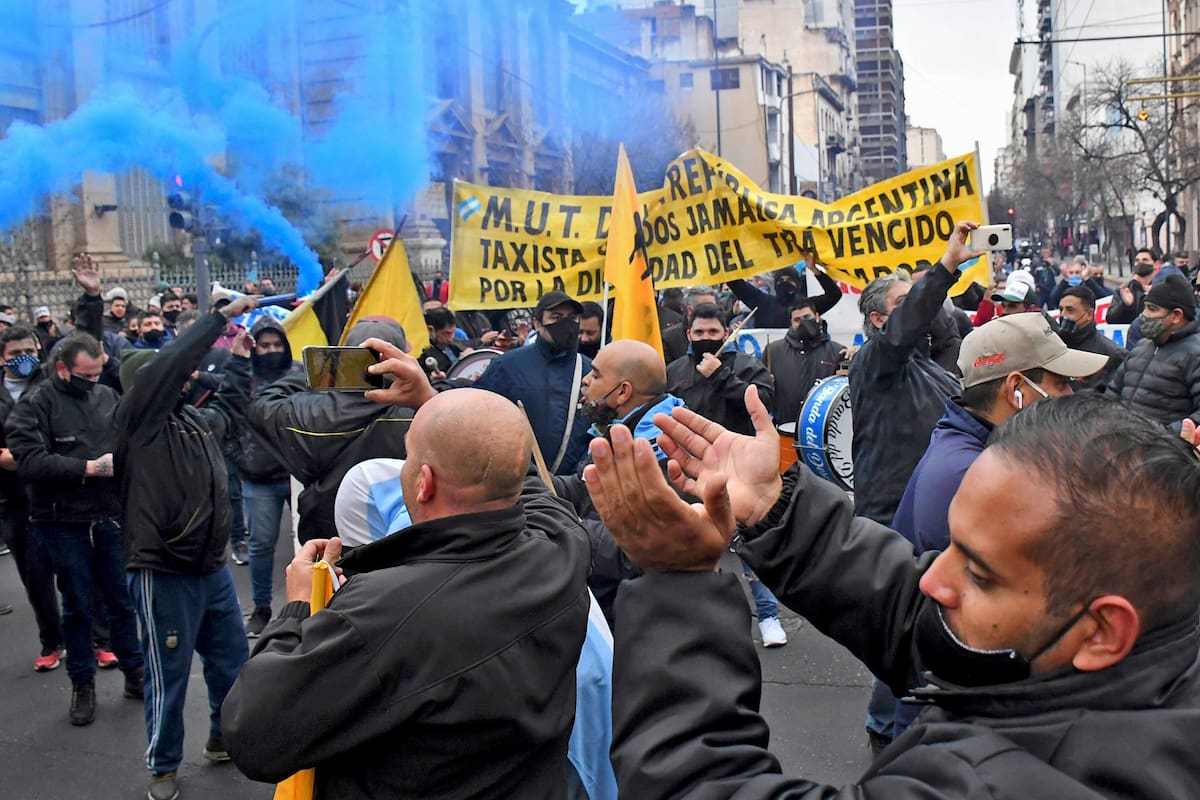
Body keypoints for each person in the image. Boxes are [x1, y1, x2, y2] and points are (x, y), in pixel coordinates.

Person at [583, 389, 1200, 798]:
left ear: (1102, 631)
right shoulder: (1135, 648)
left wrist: (676, 582)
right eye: (952, 544)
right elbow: (922, 620)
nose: (935, 577)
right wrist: (775, 507)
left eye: (979, 574)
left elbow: (695, 786)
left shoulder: (993, 784)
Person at [222, 387, 592, 798]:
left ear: (423, 482)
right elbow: (515, 473)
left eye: (409, 455)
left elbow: (253, 734)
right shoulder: (562, 546)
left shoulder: (381, 613)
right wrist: (429, 400)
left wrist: (297, 610)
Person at [116, 296, 257, 800]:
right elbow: (170, 365)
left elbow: (228, 409)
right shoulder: (138, 423)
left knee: (232, 662)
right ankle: (163, 768)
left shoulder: (192, 422)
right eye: (168, 375)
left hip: (210, 568)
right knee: (168, 675)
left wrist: (239, 359)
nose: (182, 379)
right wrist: (217, 319)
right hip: (163, 570)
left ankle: (224, 738)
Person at [848, 221, 980, 750]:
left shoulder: (930, 365)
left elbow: (944, 334)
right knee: (903, 629)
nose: (925, 311)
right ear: (880, 319)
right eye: (907, 303)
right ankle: (888, 735)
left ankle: (912, 723)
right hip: (892, 519)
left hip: (932, 517)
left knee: (928, 625)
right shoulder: (876, 363)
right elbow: (908, 329)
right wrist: (944, 270)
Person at [6, 332, 144, 726]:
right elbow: (29, 461)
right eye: (85, 374)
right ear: (63, 369)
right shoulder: (34, 405)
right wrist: (87, 468)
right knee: (78, 606)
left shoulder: (104, 397)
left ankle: (134, 672)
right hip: (61, 521)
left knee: (121, 601)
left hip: (108, 516)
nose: (93, 380)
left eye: (98, 372)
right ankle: (82, 684)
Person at [247, 317, 416, 543]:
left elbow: (263, 404)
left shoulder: (313, 413)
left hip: (331, 544)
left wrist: (317, 373)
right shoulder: (425, 410)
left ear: (343, 357)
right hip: (404, 539)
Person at [0, 324, 63, 671]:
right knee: (35, 578)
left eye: (29, 350)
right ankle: (52, 641)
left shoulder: (50, 385)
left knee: (78, 575)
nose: (23, 358)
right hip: (15, 499)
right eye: (14, 354)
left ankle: (99, 639)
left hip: (56, 493)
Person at [475, 291, 592, 475]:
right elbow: (481, 421)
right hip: (519, 485)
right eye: (556, 317)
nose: (566, 323)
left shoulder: (590, 370)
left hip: (573, 489)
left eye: (572, 318)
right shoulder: (507, 366)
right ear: (537, 324)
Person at [239, 317, 304, 638]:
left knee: (307, 543)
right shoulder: (244, 378)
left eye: (277, 344)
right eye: (264, 346)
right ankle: (262, 608)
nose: (271, 351)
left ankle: (305, 609)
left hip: (297, 473)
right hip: (257, 476)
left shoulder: (299, 374)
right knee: (261, 544)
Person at [665, 302, 774, 438]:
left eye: (713, 332)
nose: (706, 337)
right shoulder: (673, 371)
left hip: (735, 451)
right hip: (687, 451)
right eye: (699, 332)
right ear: (689, 334)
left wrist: (720, 375)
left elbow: (765, 403)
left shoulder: (749, 366)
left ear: (726, 333)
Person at [1106, 273, 1200, 429]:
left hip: (1164, 449)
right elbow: (1113, 392)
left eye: (1152, 309)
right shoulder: (1141, 347)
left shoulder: (1195, 354)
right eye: (1144, 308)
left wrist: (1162, 437)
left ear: (1176, 316)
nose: (1144, 315)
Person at [763, 299, 846, 426]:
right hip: (785, 429)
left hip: (823, 431)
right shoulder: (772, 351)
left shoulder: (837, 352)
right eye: (797, 320)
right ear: (791, 322)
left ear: (817, 317)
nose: (803, 323)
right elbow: (762, 392)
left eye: (807, 317)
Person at [727, 263, 843, 328]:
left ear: (797, 284)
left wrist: (814, 270)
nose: (784, 283)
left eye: (789, 280)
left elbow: (834, 295)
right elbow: (736, 284)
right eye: (780, 280)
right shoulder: (763, 302)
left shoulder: (807, 306)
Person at [1056, 285, 1126, 390]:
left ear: (1089, 314)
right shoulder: (1054, 345)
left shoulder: (1112, 355)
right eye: (1061, 309)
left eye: (1070, 310)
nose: (1063, 315)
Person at [662, 285, 718, 364]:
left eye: (714, 307)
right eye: (707, 307)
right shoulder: (668, 338)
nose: (712, 311)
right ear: (690, 309)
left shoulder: (723, 333)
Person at [1107, 248, 1159, 324]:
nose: (1140, 263)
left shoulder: (1162, 288)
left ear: (1156, 264)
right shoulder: (1124, 290)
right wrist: (1125, 306)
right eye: (1137, 260)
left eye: (1145, 260)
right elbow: (1111, 319)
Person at [418, 305, 465, 378]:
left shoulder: (454, 347)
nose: (451, 338)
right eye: (446, 333)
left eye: (453, 333)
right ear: (431, 330)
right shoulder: (423, 355)